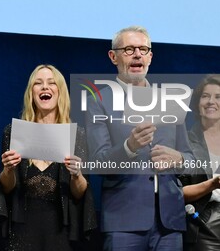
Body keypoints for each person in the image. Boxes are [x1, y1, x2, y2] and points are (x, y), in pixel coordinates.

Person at [85, 26, 195, 250]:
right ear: (113, 56)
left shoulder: (170, 101)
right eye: (129, 49)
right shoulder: (98, 101)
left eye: (143, 49)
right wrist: (128, 147)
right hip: (124, 220)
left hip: (170, 222)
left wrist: (179, 159)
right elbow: (98, 162)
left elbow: (191, 159)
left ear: (150, 57)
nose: (137, 54)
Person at [0, 64, 97, 251]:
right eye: (38, 83)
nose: (45, 87)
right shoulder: (13, 132)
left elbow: (80, 193)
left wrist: (76, 174)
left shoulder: (76, 135)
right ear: (31, 92)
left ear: (60, 92)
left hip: (59, 231)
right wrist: (7, 169)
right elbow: (6, 187)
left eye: (51, 83)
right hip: (22, 229)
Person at [179, 75, 220, 251]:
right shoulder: (183, 141)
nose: (211, 101)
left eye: (218, 97)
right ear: (197, 103)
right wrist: (212, 184)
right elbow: (175, 193)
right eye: (205, 96)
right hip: (203, 226)